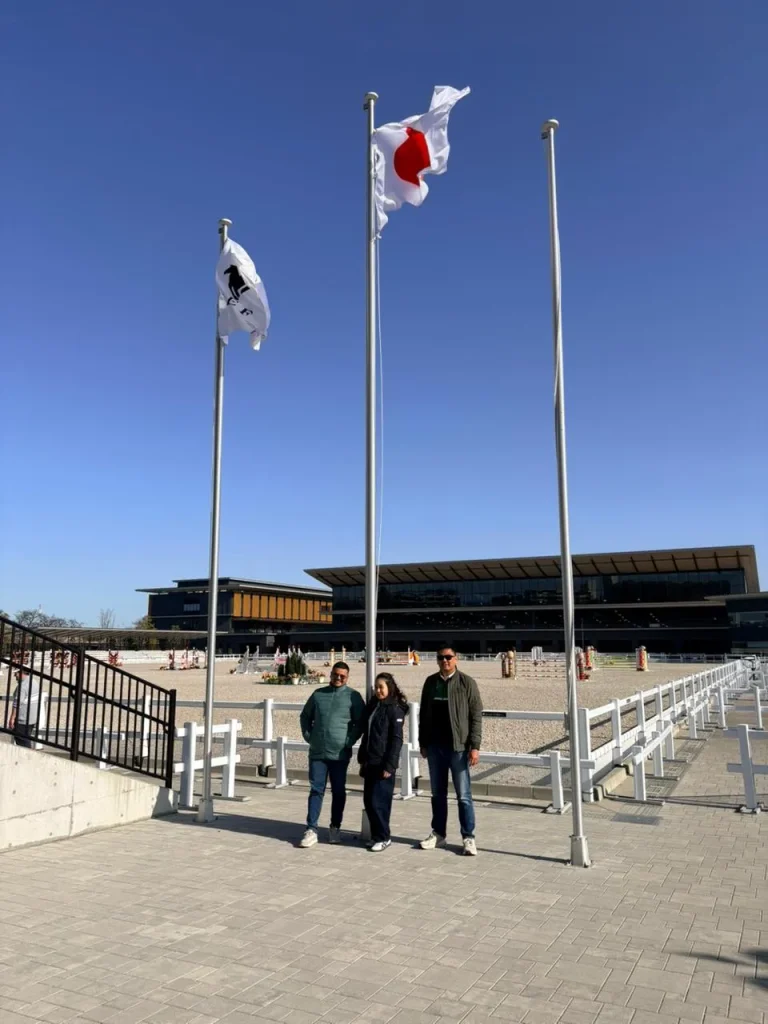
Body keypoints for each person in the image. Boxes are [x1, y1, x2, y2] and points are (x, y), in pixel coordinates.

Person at [418, 643, 483, 856]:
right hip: (435, 747)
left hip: (459, 747)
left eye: (448, 657)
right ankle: (439, 834)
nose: (444, 661)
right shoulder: (430, 682)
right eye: (440, 658)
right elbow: (423, 715)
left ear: (456, 658)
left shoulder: (467, 683)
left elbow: (476, 716)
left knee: (463, 795)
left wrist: (475, 746)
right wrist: (423, 742)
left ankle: (468, 837)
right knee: (438, 794)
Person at [299, 661, 365, 847]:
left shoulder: (354, 696)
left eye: (342, 676)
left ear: (347, 677)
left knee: (338, 791)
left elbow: (360, 723)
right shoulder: (318, 694)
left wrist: (348, 741)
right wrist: (309, 736)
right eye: (335, 674)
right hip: (318, 751)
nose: (338, 678)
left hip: (340, 753)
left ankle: (335, 827)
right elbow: (305, 716)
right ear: (330, 674)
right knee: (316, 790)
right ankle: (311, 829)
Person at [358, 672, 408, 852]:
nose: (378, 690)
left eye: (382, 687)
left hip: (383, 763)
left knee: (379, 802)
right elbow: (367, 733)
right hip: (370, 761)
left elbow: (396, 740)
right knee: (369, 801)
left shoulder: (394, 709)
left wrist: (390, 765)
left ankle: (384, 836)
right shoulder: (374, 706)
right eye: (376, 687)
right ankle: (376, 835)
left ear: (389, 688)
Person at [8, 669, 42, 748]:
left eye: (15, 673)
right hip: (32, 718)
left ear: (21, 673)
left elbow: (17, 703)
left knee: (23, 742)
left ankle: (28, 758)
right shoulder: (34, 682)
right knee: (26, 739)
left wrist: (12, 718)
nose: (14, 676)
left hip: (22, 719)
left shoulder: (22, 686)